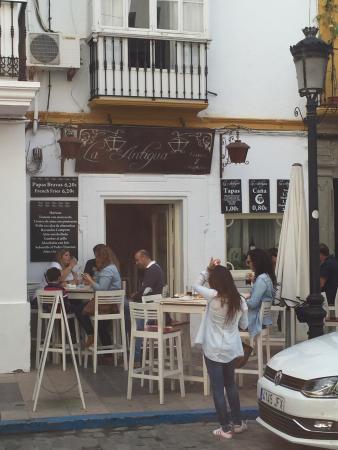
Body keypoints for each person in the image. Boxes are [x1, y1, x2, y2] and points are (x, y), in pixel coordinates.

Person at [193, 258, 248, 439]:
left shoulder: (213, 295)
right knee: (230, 384)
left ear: (215, 281)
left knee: (217, 389)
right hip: (230, 348)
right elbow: (244, 325)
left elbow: (195, 285)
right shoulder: (239, 300)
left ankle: (225, 427)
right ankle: (238, 423)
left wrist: (207, 269)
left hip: (212, 348)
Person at [75, 244, 121, 349]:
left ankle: (91, 335)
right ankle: (108, 356)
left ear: (101, 256)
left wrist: (91, 281)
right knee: (101, 327)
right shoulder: (111, 267)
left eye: (96, 256)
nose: (95, 259)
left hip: (106, 303)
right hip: (109, 302)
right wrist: (93, 280)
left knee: (78, 309)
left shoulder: (108, 269)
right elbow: (103, 285)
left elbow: (102, 289)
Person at [125, 249, 166, 363]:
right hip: (149, 306)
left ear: (144, 257)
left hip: (149, 309)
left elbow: (145, 292)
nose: (136, 263)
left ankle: (135, 353)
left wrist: (133, 297)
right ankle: (134, 350)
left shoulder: (153, 270)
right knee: (130, 314)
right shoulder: (155, 269)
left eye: (137, 260)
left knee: (124, 306)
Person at [245, 249, 275, 337]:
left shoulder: (261, 279)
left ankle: (240, 349)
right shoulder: (266, 277)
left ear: (256, 262)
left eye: (249, 261)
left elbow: (253, 304)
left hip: (255, 321)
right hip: (262, 320)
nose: (248, 264)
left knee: (228, 324)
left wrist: (241, 301)